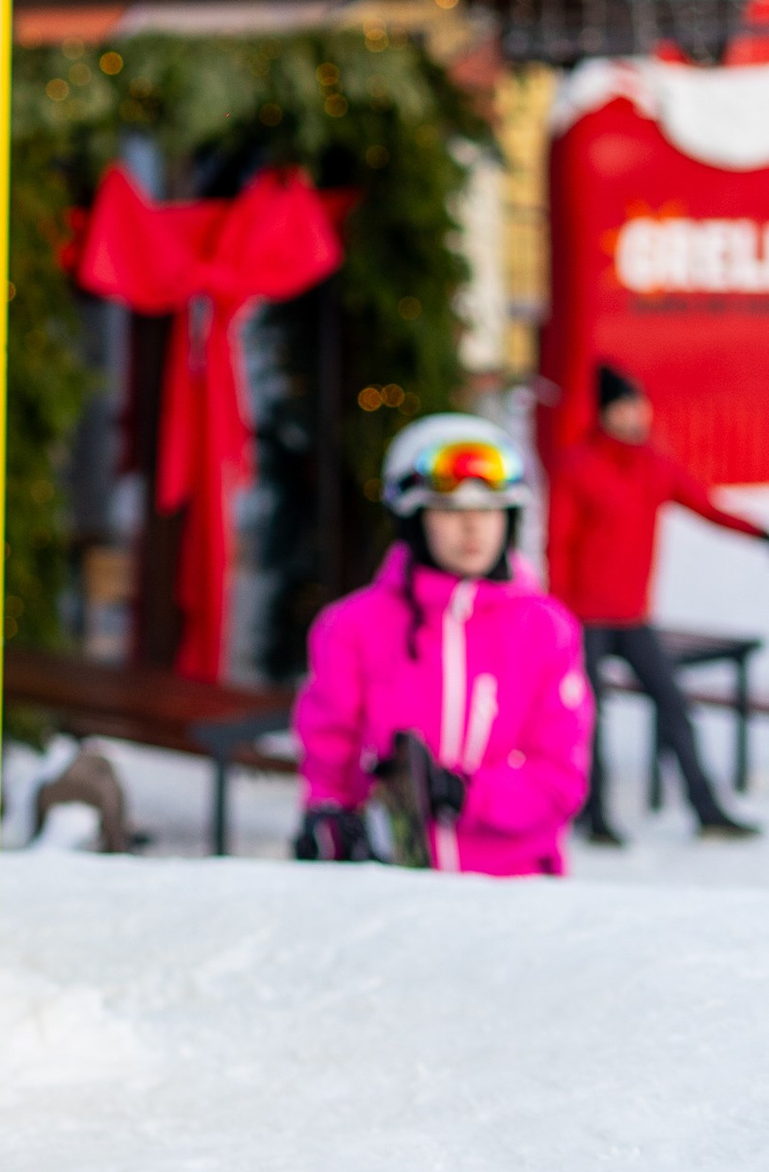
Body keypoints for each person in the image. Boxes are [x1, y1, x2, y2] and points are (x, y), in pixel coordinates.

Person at [293, 413, 592, 873]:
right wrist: (329, 818)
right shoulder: (351, 627)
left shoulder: (547, 630)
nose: (473, 528)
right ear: (414, 519)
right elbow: (329, 756)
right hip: (394, 886)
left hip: (514, 889)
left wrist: (466, 795)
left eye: (488, 510)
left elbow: (560, 781)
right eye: (450, 511)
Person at [550, 361, 769, 844]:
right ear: (605, 414)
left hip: (633, 617)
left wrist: (759, 533)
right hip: (584, 618)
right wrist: (559, 615)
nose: (634, 416)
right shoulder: (578, 465)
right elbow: (558, 545)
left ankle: (707, 809)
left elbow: (707, 507)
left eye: (639, 406)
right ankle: (595, 815)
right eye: (623, 408)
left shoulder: (654, 465)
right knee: (588, 718)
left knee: (673, 703)